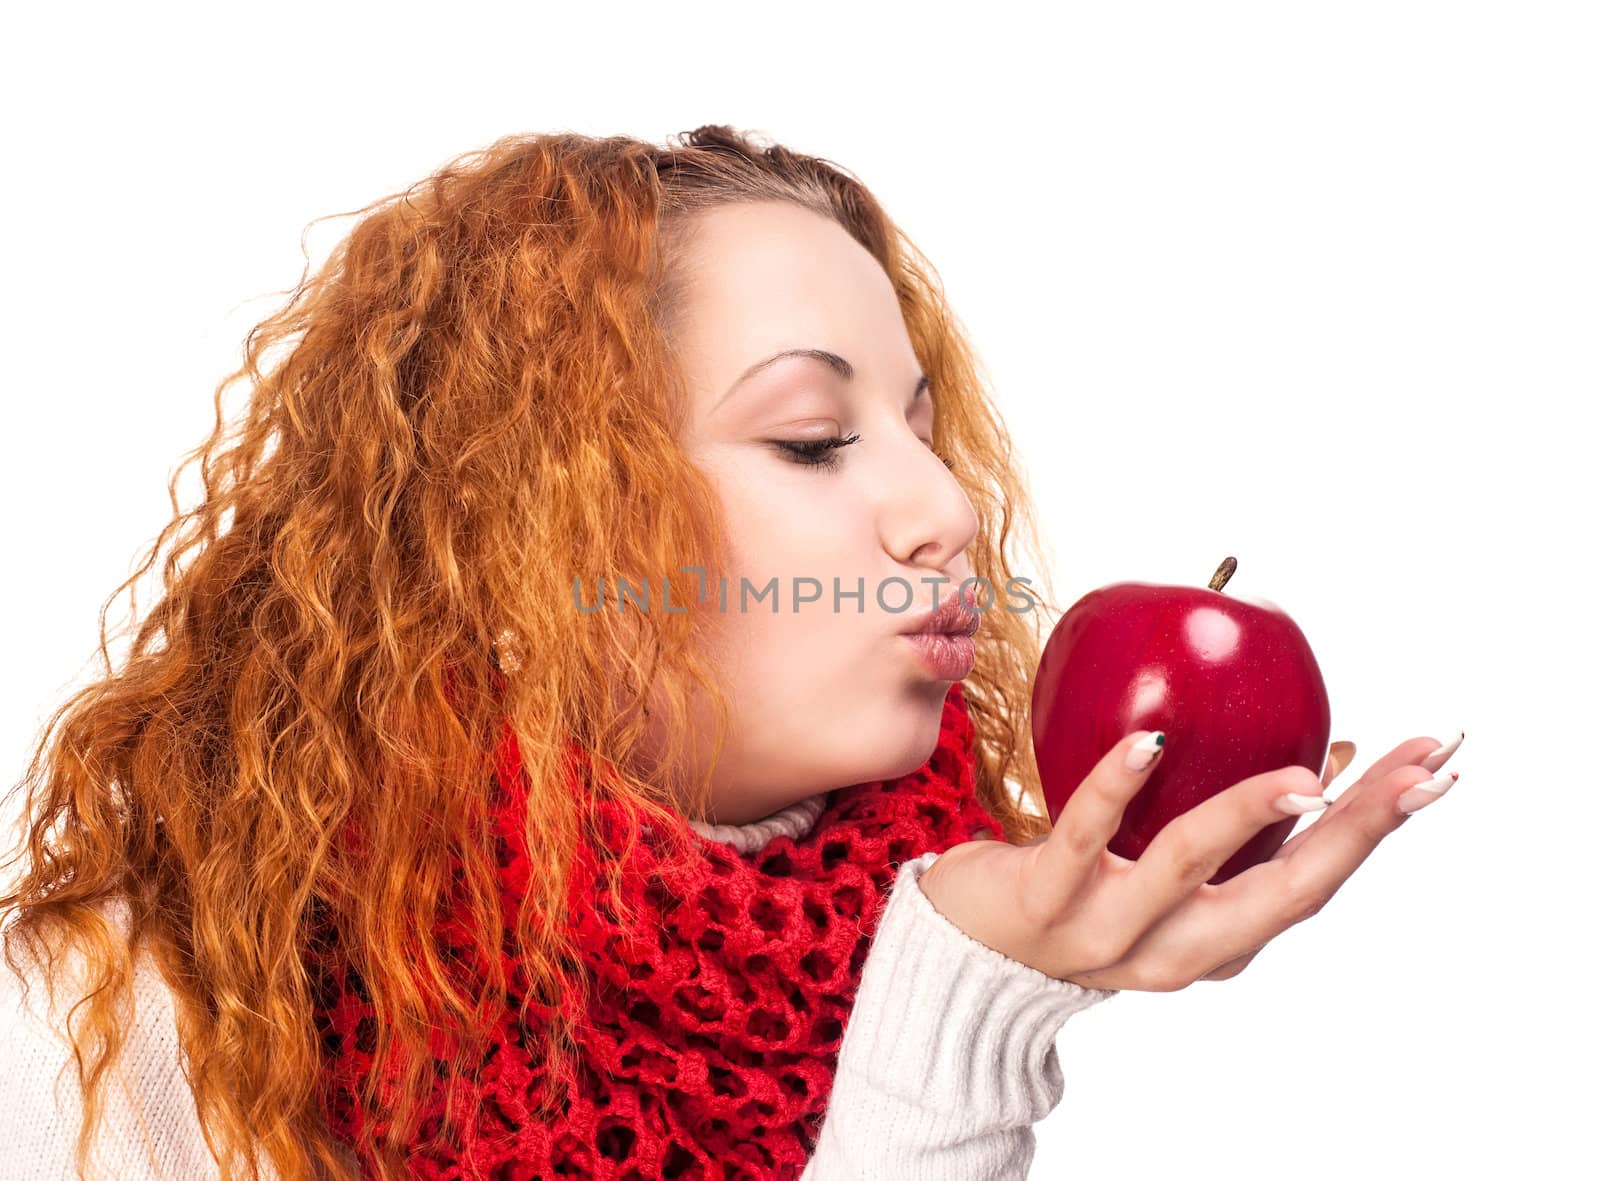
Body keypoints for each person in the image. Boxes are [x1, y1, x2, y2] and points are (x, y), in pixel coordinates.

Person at [0, 125, 1464, 1181]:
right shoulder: (110, 1030)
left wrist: (967, 1004)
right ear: (526, 540)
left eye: (922, 428)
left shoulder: (943, 931)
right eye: (813, 438)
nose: (950, 509)